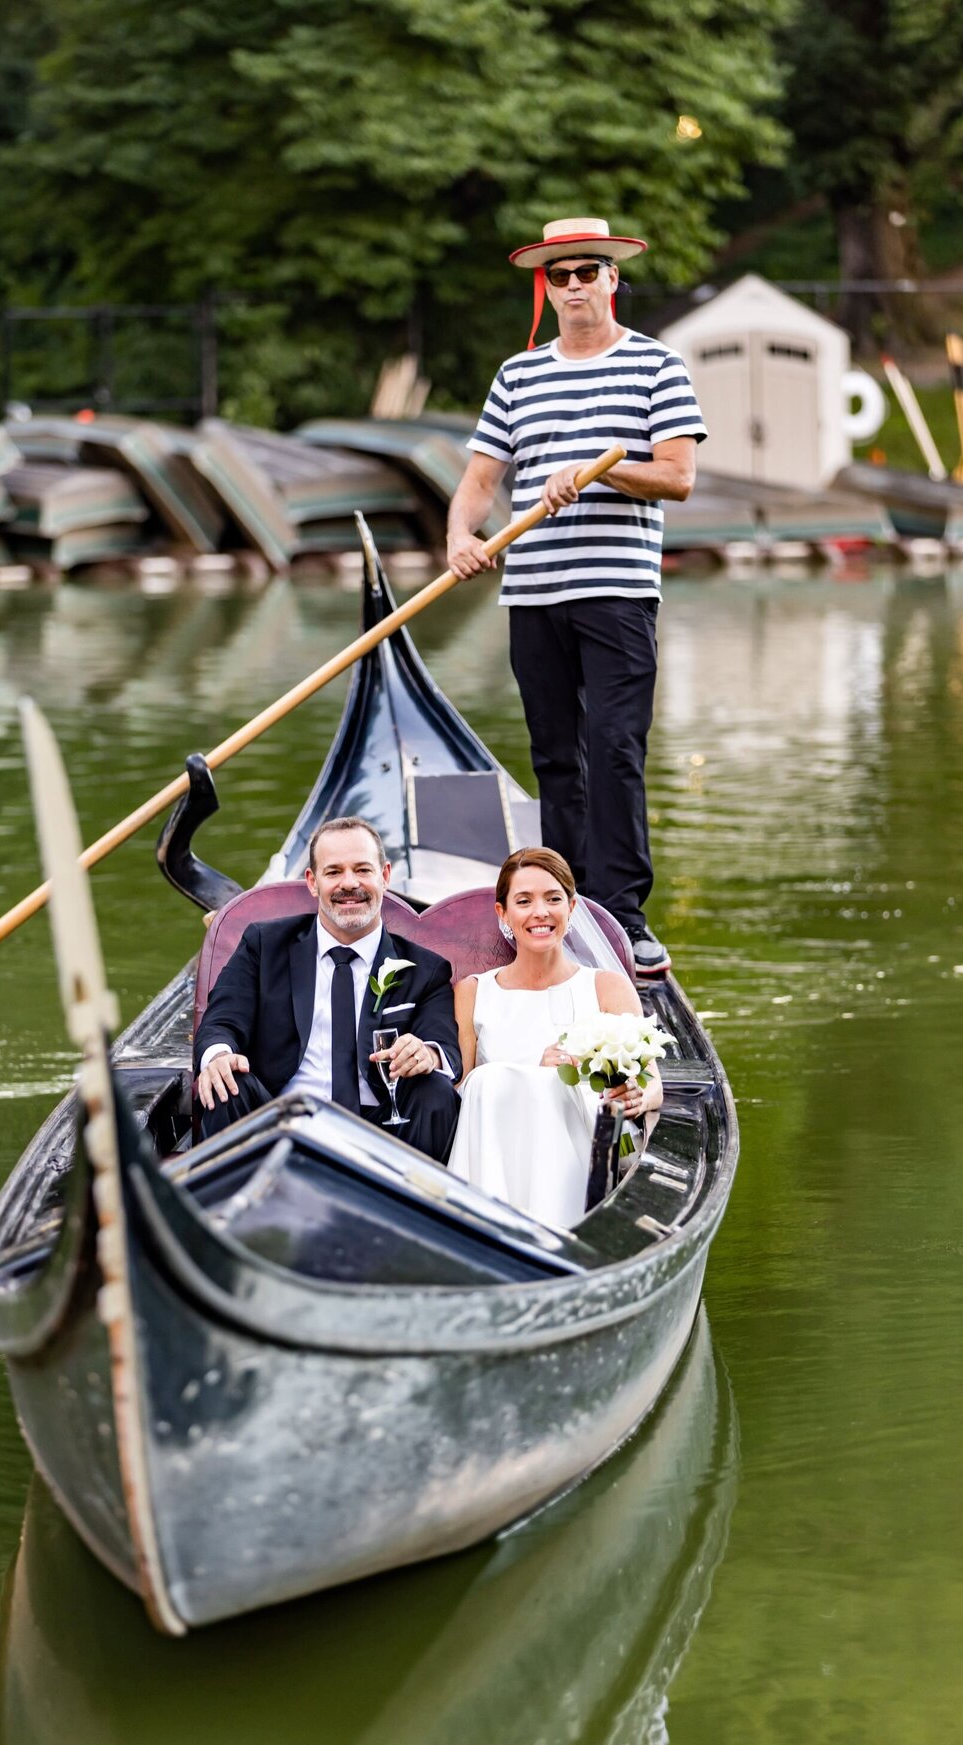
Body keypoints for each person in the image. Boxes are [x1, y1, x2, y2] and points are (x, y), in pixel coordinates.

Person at [446, 216, 708, 976]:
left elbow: (678, 476)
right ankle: (559, 907)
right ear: (547, 286)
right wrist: (462, 537)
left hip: (619, 592)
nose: (572, 286)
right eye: (558, 276)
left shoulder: (656, 367)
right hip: (533, 593)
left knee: (614, 749)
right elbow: (480, 482)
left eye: (586, 272)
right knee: (556, 757)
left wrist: (601, 470)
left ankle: (623, 914)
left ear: (612, 279)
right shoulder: (517, 375)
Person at [194, 816, 461, 1162]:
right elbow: (221, 1022)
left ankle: (409, 1210)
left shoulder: (425, 970)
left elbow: (445, 1048)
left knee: (433, 1090)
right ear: (312, 882)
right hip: (279, 1120)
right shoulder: (263, 945)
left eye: (363, 870)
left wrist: (426, 1053)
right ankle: (238, 1207)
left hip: (385, 1132)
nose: (349, 884)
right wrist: (217, 1057)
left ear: (385, 876)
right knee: (226, 1082)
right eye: (334, 872)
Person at [447, 847, 661, 1230]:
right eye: (524, 901)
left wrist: (636, 1095)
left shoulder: (607, 987)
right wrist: (530, 1075)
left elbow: (654, 1085)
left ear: (572, 906)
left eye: (553, 899)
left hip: (581, 1146)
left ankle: (558, 1229)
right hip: (497, 1144)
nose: (540, 912)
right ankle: (487, 1228)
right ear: (503, 913)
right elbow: (462, 1086)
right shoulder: (473, 991)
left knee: (554, 1084)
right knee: (488, 1080)